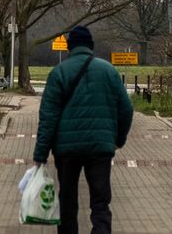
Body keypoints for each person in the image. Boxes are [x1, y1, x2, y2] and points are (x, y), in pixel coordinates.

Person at [32, 25, 133, 234]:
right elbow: (126, 109)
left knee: (67, 201)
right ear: (91, 46)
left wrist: (40, 154)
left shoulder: (58, 73)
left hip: (67, 151)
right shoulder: (109, 71)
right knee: (100, 203)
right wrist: (118, 139)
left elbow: (48, 118)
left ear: (69, 47)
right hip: (100, 149)